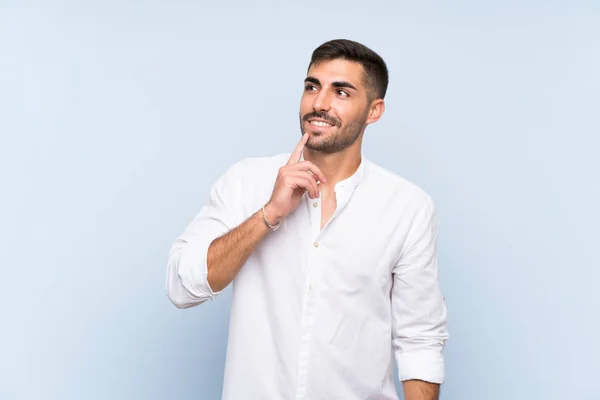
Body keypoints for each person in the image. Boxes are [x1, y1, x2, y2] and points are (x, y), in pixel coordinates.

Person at [166, 39, 449, 400]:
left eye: (341, 92)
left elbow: (420, 339)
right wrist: (269, 214)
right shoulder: (245, 181)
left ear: (373, 111)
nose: (319, 103)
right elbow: (182, 287)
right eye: (311, 86)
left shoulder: (407, 207)